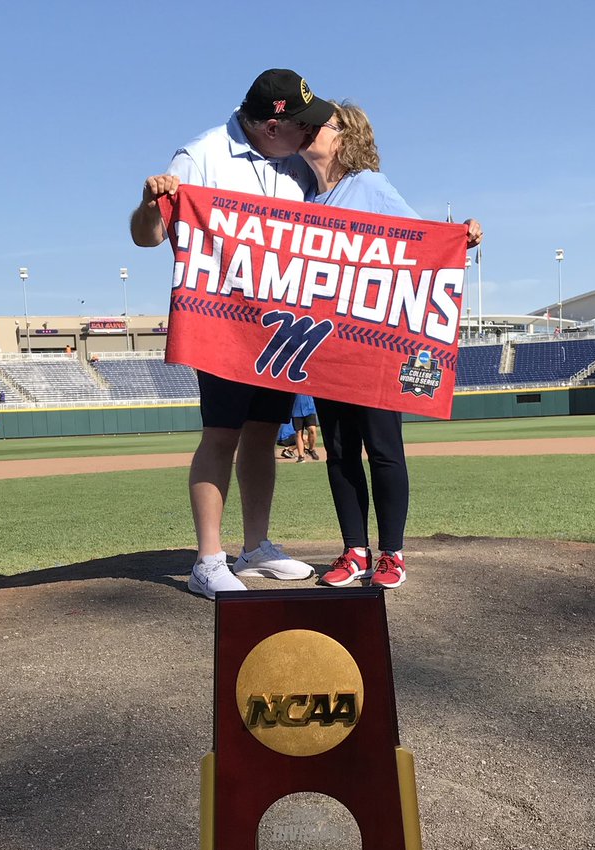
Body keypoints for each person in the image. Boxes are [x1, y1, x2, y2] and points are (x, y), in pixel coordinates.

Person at [130, 69, 335, 599]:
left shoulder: (298, 164)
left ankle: (256, 547)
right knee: (222, 435)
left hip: (281, 324)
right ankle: (207, 560)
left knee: (264, 433)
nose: (311, 133)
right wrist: (151, 204)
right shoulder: (200, 156)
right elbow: (147, 238)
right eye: (303, 125)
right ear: (272, 126)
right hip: (222, 322)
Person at [298, 103, 482, 590]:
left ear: (345, 136)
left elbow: (420, 239)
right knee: (339, 452)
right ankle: (354, 550)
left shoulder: (369, 186)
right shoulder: (302, 200)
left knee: (382, 448)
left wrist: (459, 237)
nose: (308, 131)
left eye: (319, 125)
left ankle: (392, 554)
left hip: (374, 344)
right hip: (326, 345)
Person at [290, 394, 320, 462]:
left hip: (309, 408)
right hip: (296, 410)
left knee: (312, 430)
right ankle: (301, 456)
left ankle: (311, 450)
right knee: (298, 432)